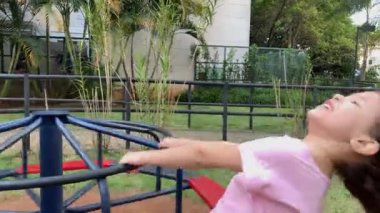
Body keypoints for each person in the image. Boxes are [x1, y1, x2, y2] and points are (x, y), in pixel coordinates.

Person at [120, 91, 380, 213]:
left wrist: (144, 157)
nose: (338, 95)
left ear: (363, 143)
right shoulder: (316, 174)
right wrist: (179, 143)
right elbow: (235, 151)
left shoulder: (290, 152)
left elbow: (204, 154)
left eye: (354, 102)